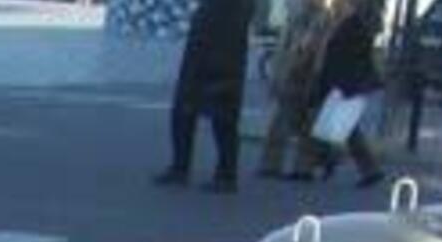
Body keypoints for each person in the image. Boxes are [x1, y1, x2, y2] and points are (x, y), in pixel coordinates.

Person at [156, 0, 257, 192]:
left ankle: (221, 173)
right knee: (192, 111)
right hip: (215, 51)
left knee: (219, 114)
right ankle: (185, 167)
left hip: (220, 52)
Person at [310, 0, 387, 186]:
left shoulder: (354, 25)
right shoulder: (350, 24)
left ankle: (369, 169)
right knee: (333, 124)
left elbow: (347, 56)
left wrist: (339, 83)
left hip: (346, 84)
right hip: (344, 82)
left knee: (346, 128)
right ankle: (330, 161)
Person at [259, 0, 337, 179]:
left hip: (302, 73)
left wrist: (295, 69)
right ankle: (298, 165)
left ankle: (290, 165)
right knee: (296, 121)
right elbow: (287, 46)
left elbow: (310, 48)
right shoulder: (301, 15)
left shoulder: (319, 17)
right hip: (295, 72)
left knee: (292, 121)